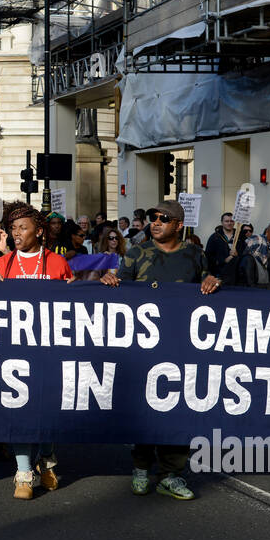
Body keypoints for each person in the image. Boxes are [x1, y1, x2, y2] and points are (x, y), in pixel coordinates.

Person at [102, 200, 219, 500]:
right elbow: (120, 292)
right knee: (146, 408)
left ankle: (171, 474)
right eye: (153, 217)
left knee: (178, 410)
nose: (155, 222)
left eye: (163, 218)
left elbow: (209, 284)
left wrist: (212, 280)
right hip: (146, 347)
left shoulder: (195, 254)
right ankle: (141, 467)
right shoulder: (137, 253)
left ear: (179, 225)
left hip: (182, 347)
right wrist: (110, 280)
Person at [0, 201, 73, 500]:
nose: (17, 233)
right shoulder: (1, 265)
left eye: (23, 227)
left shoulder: (57, 263)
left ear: (39, 231)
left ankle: (48, 458)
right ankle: (23, 472)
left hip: (50, 351)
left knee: (46, 412)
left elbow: (75, 307)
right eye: (12, 228)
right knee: (20, 412)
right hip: (13, 353)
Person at [205, 212, 238, 279]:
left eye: (231, 221)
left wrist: (237, 254)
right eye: (226, 221)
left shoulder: (239, 236)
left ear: (234, 222)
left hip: (236, 272)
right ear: (222, 222)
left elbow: (245, 253)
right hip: (219, 272)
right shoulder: (214, 237)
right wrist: (223, 260)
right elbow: (208, 256)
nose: (229, 223)